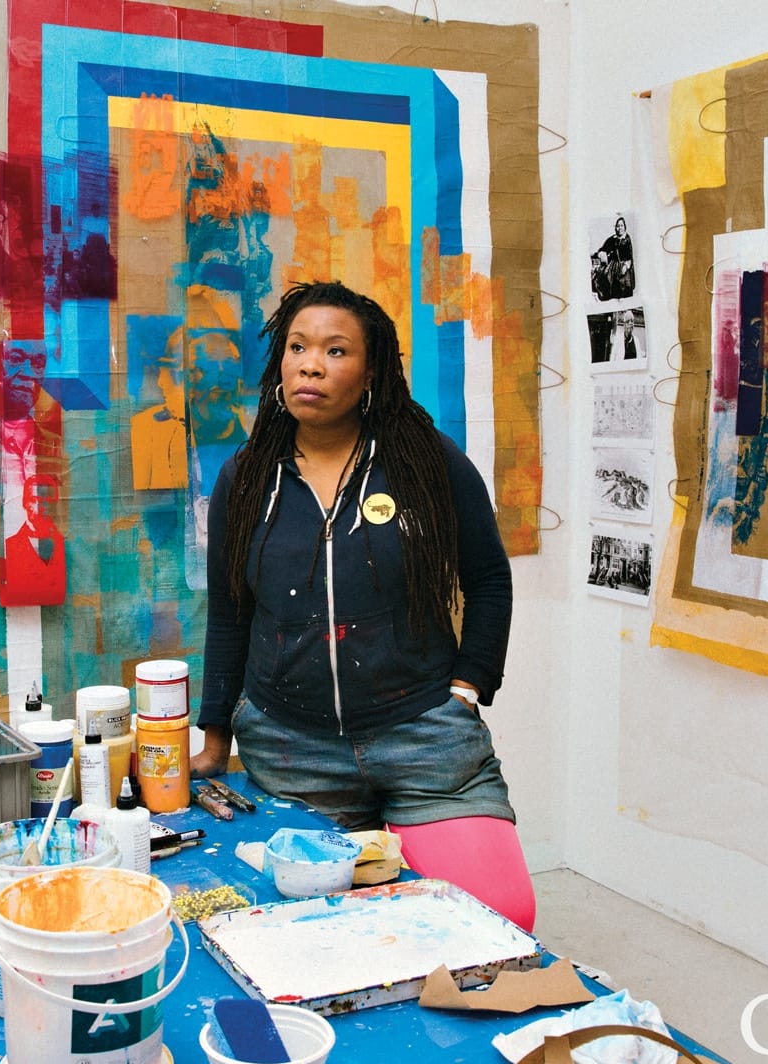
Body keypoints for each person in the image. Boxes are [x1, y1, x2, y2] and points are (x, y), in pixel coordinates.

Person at [191, 280, 536, 930]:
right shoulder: (245, 480)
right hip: (293, 750)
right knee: (317, 939)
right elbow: (232, 612)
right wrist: (214, 739)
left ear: (371, 370)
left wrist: (467, 687)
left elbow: (488, 577)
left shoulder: (425, 463)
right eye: (297, 347)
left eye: (335, 350)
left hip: (424, 739)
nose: (310, 364)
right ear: (280, 364)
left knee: (497, 919)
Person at [593, 215, 635, 301]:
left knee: (623, 286)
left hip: (624, 266)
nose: (619, 228)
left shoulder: (627, 239)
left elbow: (629, 256)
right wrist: (601, 253)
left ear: (625, 227)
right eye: (617, 226)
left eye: (621, 226)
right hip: (612, 266)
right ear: (615, 228)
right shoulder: (612, 239)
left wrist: (626, 266)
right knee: (605, 280)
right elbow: (602, 249)